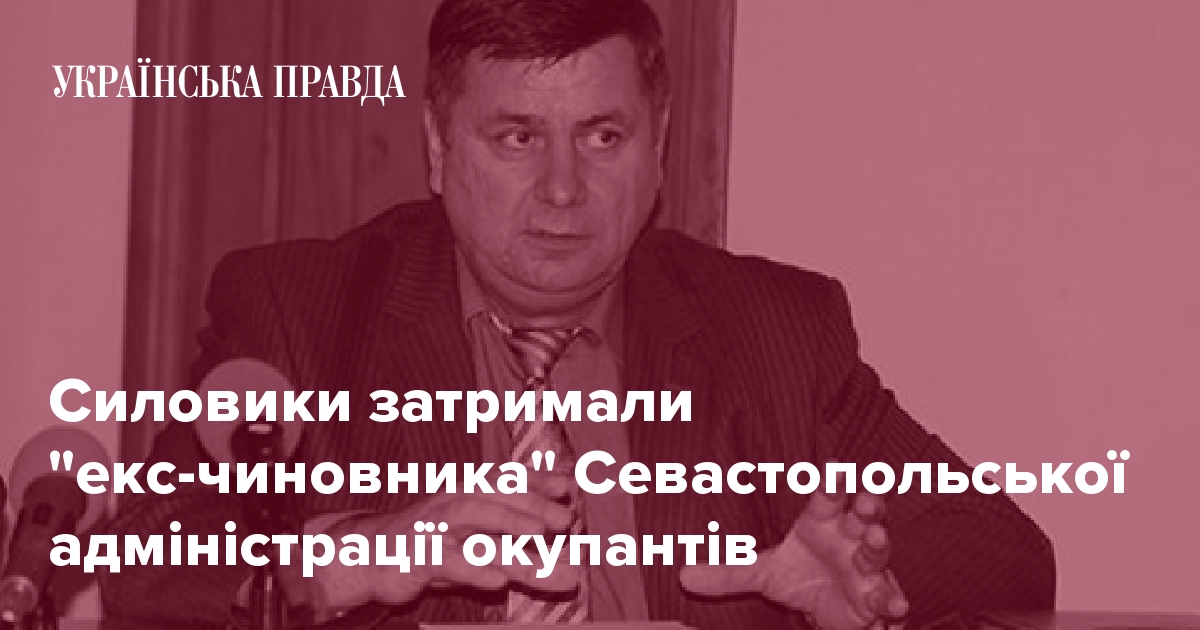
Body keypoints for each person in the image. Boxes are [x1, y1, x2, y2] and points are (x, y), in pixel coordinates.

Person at [102, 0, 1055, 627]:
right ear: (437, 146)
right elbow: (138, 575)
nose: (563, 188)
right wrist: (357, 556)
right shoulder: (301, 312)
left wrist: (858, 584)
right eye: (517, 137)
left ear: (658, 143)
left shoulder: (772, 327)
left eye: (602, 136)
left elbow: (1008, 555)